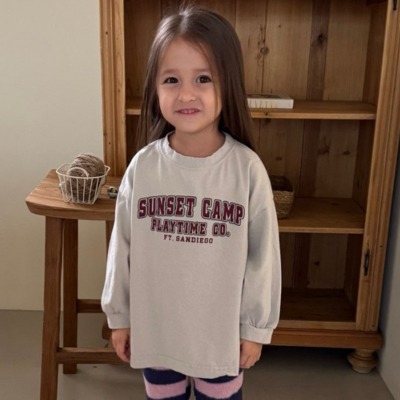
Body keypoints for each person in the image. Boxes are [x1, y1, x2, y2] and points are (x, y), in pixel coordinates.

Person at [101, 5, 281, 400]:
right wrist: (120, 316)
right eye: (171, 79)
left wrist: (255, 328)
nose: (186, 94)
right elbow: (121, 248)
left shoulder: (247, 170)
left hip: (220, 338)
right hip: (157, 332)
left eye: (203, 78)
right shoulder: (143, 168)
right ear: (155, 87)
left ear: (228, 83)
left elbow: (263, 258)